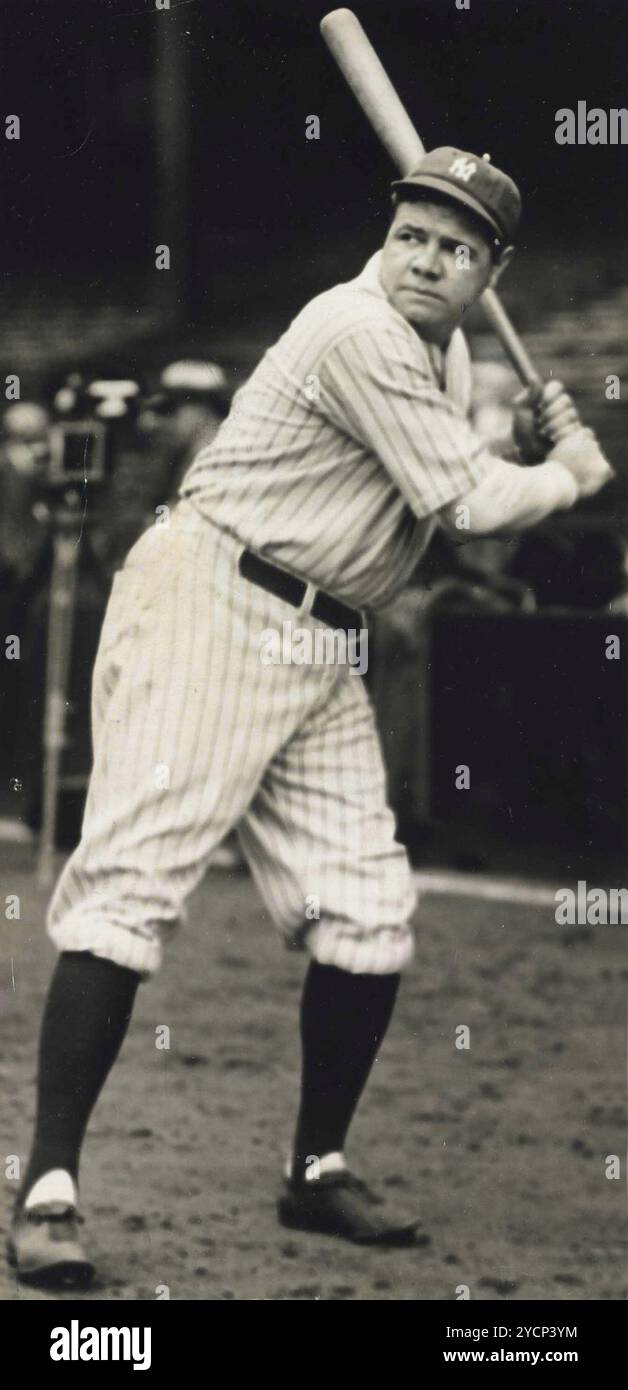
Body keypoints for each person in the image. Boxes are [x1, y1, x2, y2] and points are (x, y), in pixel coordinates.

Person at [8, 147, 612, 1287]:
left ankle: (317, 1169)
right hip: (215, 597)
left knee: (370, 910)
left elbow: (455, 473)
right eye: (411, 234)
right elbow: (471, 505)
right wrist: (570, 471)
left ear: (492, 269)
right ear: (385, 237)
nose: (425, 259)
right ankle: (46, 1185)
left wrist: (519, 447)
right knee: (133, 885)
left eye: (455, 246)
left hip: (323, 631)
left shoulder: (448, 351)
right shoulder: (357, 329)